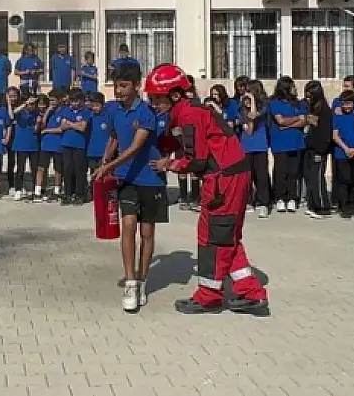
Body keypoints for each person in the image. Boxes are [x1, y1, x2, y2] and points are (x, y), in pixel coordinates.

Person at [146, 63, 269, 316]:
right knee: (226, 236)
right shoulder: (184, 112)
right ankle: (251, 292)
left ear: (175, 95)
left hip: (223, 179)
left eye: (157, 98)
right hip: (229, 175)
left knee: (212, 237)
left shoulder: (190, 115)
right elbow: (173, 138)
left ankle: (209, 296)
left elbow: (196, 159)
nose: (153, 104)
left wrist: (167, 164)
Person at [92, 62, 166, 312]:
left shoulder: (146, 112)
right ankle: (131, 282)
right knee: (128, 225)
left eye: (124, 86)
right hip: (126, 179)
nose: (119, 91)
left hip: (151, 179)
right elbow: (114, 137)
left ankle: (143, 280)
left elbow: (135, 147)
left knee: (147, 233)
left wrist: (109, 165)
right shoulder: (113, 110)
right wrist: (105, 160)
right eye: (116, 86)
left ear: (137, 86)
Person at [267, 77, 305, 213]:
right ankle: (280, 198)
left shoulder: (299, 104)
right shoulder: (275, 103)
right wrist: (296, 119)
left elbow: (303, 121)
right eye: (292, 86)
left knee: (293, 172)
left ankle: (292, 198)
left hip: (296, 142)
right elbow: (280, 121)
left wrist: (289, 125)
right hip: (280, 143)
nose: (295, 89)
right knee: (281, 171)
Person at [240, 80, 272, 218]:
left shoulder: (264, 107)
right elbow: (248, 130)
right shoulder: (240, 110)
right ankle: (248, 201)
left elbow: (254, 115)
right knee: (247, 176)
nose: (246, 94)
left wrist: (252, 100)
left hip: (260, 146)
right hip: (246, 147)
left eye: (249, 91)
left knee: (262, 175)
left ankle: (263, 203)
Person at [302, 80, 334, 219]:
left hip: (319, 149)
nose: (307, 98)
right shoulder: (313, 107)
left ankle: (322, 207)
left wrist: (321, 151)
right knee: (310, 178)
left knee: (317, 178)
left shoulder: (324, 109)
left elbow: (324, 132)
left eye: (310, 95)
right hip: (310, 147)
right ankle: (313, 204)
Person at [332, 91, 354, 218]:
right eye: (344, 104)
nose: (346, 106)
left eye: (349, 103)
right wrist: (346, 148)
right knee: (344, 180)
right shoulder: (337, 116)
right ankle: (344, 206)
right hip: (341, 153)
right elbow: (335, 135)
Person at [58, 90, 90, 205]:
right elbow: (62, 126)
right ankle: (67, 194)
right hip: (66, 144)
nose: (74, 104)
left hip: (79, 145)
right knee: (67, 170)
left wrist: (70, 124)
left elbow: (82, 128)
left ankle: (79, 194)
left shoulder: (86, 112)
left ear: (81, 100)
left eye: (77, 101)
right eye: (72, 101)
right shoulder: (66, 110)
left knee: (79, 170)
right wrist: (75, 124)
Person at [10, 94, 39, 201]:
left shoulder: (36, 114)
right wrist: (25, 103)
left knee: (34, 169)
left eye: (33, 104)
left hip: (33, 145)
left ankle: (35, 189)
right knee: (20, 169)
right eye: (30, 104)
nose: (32, 106)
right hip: (21, 145)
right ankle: (18, 189)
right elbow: (13, 112)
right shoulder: (20, 113)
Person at [35, 93, 63, 202]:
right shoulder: (46, 112)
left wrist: (47, 131)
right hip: (45, 144)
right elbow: (42, 125)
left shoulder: (63, 112)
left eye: (53, 100)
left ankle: (57, 191)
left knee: (58, 169)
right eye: (50, 101)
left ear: (59, 100)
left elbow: (61, 128)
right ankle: (37, 191)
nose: (52, 103)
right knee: (41, 168)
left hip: (57, 144)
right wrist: (47, 112)